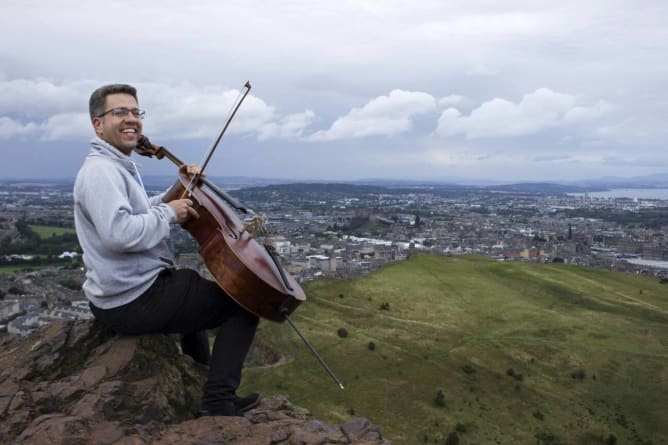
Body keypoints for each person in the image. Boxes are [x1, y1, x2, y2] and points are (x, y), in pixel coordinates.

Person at [73, 83, 260, 417]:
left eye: (135, 112)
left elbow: (143, 210)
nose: (131, 119)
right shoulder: (101, 172)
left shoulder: (115, 166)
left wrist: (180, 188)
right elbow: (119, 234)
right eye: (119, 112)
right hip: (132, 298)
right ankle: (219, 401)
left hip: (125, 293)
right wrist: (171, 214)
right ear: (97, 124)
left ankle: (198, 381)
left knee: (192, 292)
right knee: (245, 304)